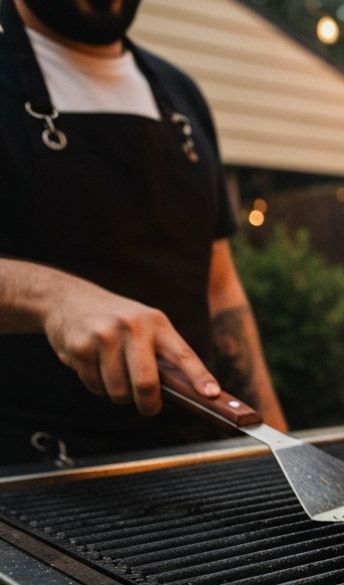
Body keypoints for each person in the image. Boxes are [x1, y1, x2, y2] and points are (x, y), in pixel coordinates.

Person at [0, 0, 286, 468]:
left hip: (196, 466)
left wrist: (276, 441)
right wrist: (52, 298)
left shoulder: (181, 94)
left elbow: (220, 290)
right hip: (33, 483)